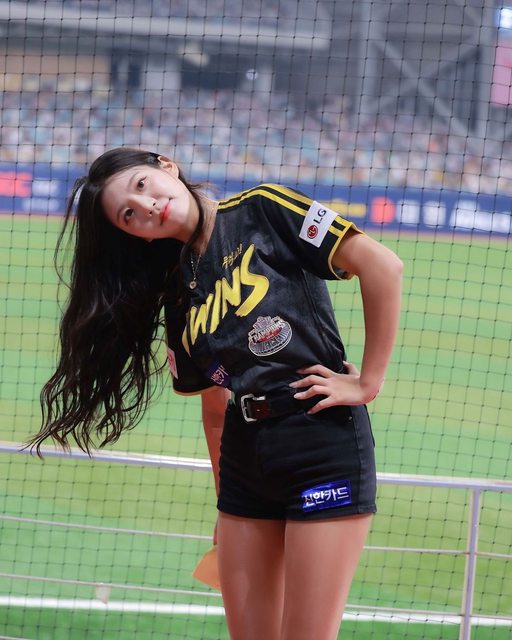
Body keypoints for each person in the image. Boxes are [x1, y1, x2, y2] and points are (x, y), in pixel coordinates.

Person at [29, 147, 403, 640]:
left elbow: (382, 266)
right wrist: (225, 500)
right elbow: (214, 413)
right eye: (129, 216)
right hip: (244, 466)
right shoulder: (177, 292)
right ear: (135, 236)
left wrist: (368, 382)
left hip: (319, 444)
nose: (147, 207)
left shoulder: (263, 208)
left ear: (166, 166)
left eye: (141, 186)